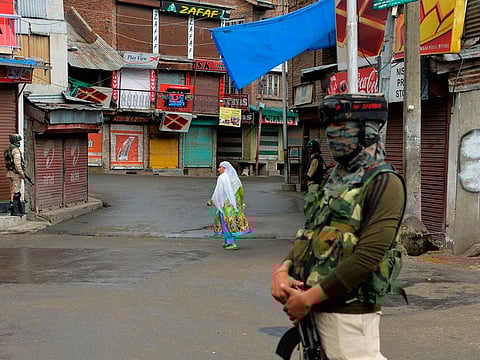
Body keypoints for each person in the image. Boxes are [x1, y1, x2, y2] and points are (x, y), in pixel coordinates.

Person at [271, 94, 406, 359]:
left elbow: (368, 256)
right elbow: (311, 232)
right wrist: (283, 270)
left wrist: (309, 298)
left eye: (342, 127)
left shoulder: (384, 182)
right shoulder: (335, 177)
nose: (333, 134)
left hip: (350, 314)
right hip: (313, 308)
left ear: (367, 131)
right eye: (330, 127)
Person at [207, 161, 253, 250]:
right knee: (231, 223)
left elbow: (218, 192)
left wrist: (211, 201)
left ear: (225, 169)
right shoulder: (236, 179)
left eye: (220, 167)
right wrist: (240, 204)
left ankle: (231, 243)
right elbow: (241, 192)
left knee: (225, 222)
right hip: (235, 205)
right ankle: (228, 242)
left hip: (226, 206)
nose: (218, 169)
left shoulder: (222, 178)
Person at [4, 134, 26, 216]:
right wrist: (21, 173)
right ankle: (15, 211)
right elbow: (17, 163)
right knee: (16, 192)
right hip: (15, 174)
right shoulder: (15, 150)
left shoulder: (7, 149)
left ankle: (15, 208)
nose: (19, 142)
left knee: (12, 192)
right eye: (18, 141)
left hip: (9, 173)